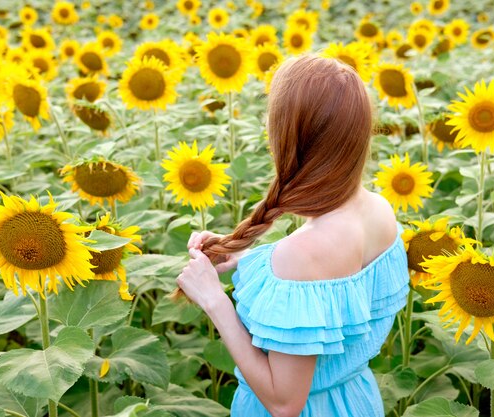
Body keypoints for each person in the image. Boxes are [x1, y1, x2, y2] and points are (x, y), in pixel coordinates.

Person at [175, 54, 410, 417]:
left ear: (287, 139)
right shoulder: (380, 210)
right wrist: (245, 260)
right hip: (355, 401)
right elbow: (327, 274)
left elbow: (284, 402)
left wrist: (215, 301)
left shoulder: (302, 255)